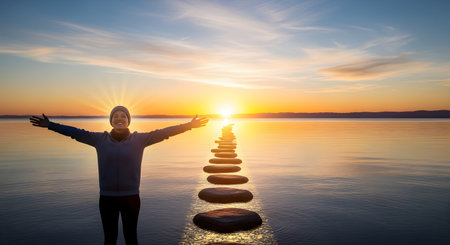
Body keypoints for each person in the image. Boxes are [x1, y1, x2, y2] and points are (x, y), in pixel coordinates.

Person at [29, 106, 208, 245]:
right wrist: (50, 125)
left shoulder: (141, 139)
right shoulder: (99, 139)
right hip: (107, 199)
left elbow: (165, 132)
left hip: (131, 198)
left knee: (131, 239)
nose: (119, 119)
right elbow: (75, 133)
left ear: (128, 120)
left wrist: (189, 126)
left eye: (123, 116)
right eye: (116, 116)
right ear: (111, 121)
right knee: (110, 240)